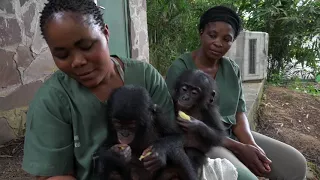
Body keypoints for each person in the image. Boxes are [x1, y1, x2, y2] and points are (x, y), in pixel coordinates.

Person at [22, 0, 176, 180]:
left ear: (106, 33)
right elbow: (53, 175)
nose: (77, 61)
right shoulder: (52, 101)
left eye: (86, 46)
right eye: (62, 55)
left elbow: (172, 141)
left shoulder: (145, 76)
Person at [165, 5, 307, 180]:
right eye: (212, 35)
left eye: (227, 39)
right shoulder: (182, 68)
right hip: (198, 141)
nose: (218, 43)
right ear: (201, 32)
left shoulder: (232, 69)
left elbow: (239, 115)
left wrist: (251, 145)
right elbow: (178, 120)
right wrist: (238, 148)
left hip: (229, 135)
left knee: (295, 165)